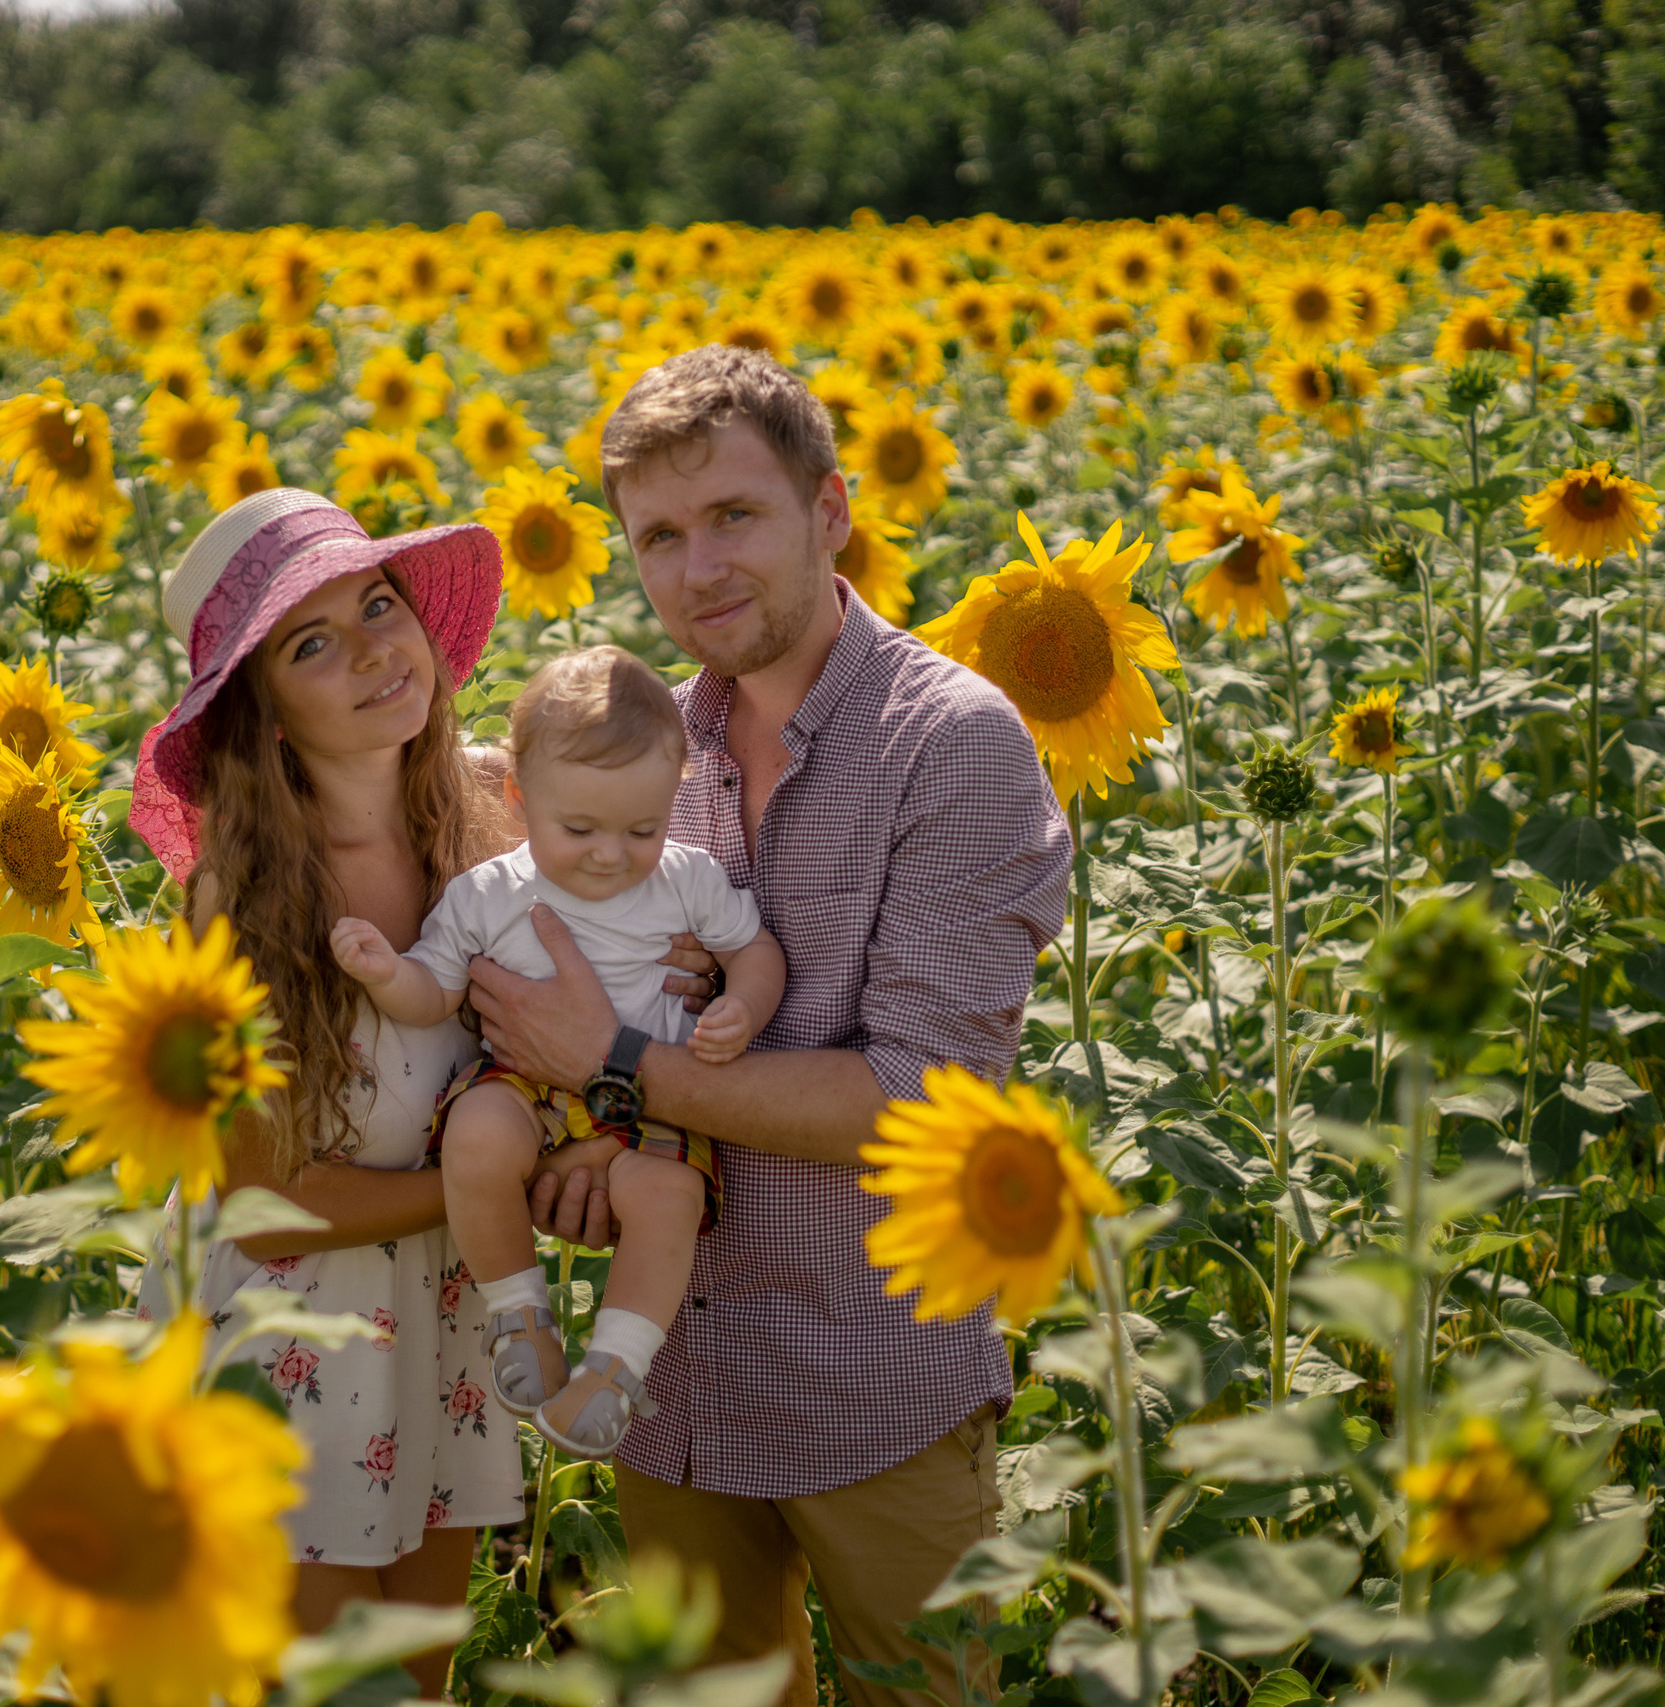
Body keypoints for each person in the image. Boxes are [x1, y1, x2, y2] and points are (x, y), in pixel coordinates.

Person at [464, 344, 1071, 1707]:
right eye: (661, 536)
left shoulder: (953, 740)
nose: (698, 569)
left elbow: (920, 1095)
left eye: (734, 515)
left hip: (877, 1376)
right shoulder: (646, 751)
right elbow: (591, 1035)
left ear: (832, 508)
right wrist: (580, 1153)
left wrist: (613, 1063)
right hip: (673, 1385)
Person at [126, 486, 522, 1689]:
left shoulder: (489, 821)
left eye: (378, 606)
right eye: (312, 644)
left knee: (417, 1681)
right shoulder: (242, 903)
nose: (370, 651)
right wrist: (486, 1189)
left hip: (446, 1323)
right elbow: (267, 1193)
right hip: (290, 1337)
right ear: (266, 716)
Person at [331, 646, 786, 1461]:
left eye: (641, 828)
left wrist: (743, 1006)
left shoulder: (687, 879)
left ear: (670, 803)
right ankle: (520, 1313)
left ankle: (615, 1368)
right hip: (523, 1084)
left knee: (668, 1195)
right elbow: (434, 991)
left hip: (651, 1099)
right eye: (578, 828)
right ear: (518, 796)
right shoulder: (489, 892)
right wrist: (383, 972)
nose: (610, 853)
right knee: (476, 1135)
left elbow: (756, 949)